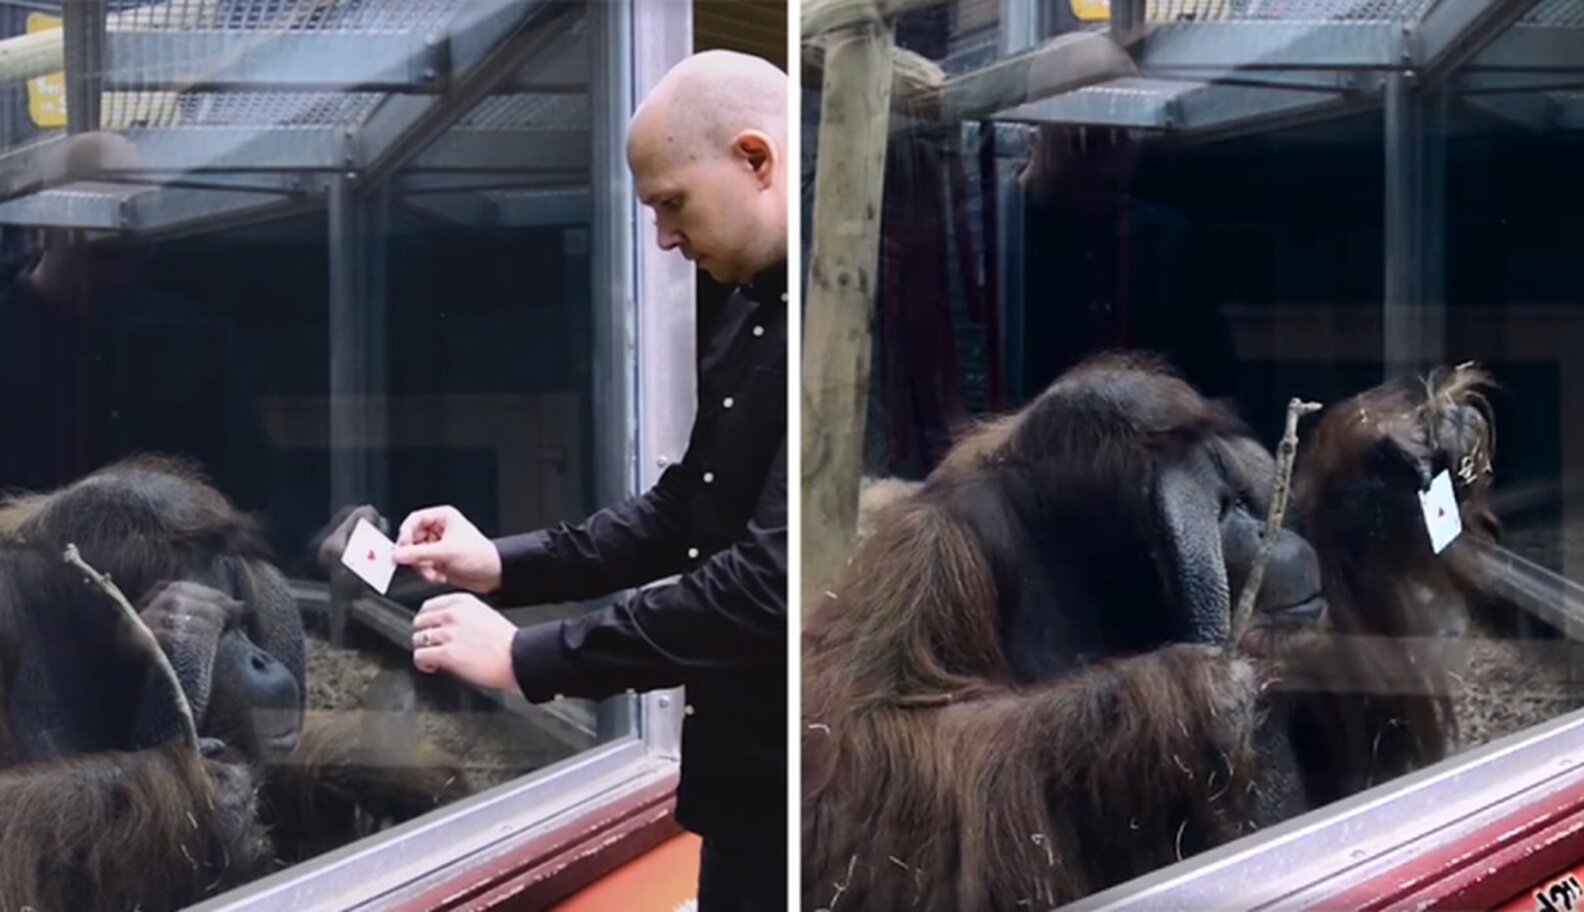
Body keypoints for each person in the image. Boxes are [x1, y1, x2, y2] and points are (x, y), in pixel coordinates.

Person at [392, 50, 788, 912]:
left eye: (672, 204)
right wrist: (499, 563)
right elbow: (685, 510)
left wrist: (527, 657)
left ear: (756, 160)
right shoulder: (746, 311)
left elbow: (769, 585)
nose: (665, 240)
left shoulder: (834, 319)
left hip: (820, 790)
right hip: (742, 782)